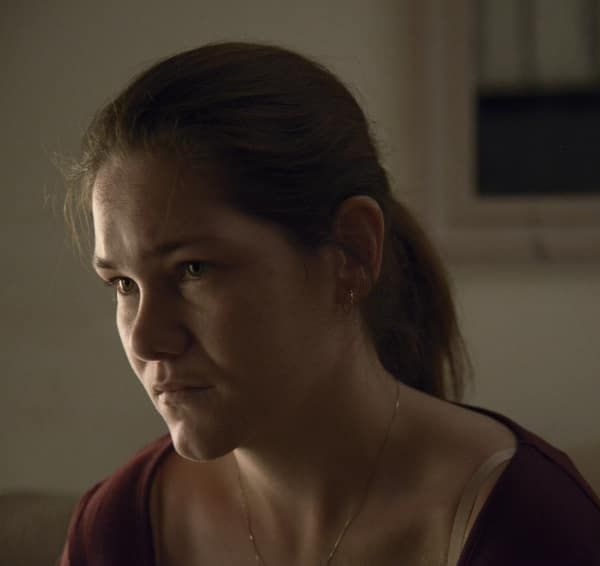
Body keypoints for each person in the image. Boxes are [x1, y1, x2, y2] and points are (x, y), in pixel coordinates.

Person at [58, 42, 600, 566]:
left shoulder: (528, 525)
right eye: (123, 285)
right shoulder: (119, 527)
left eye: (193, 269)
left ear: (351, 251)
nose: (146, 339)